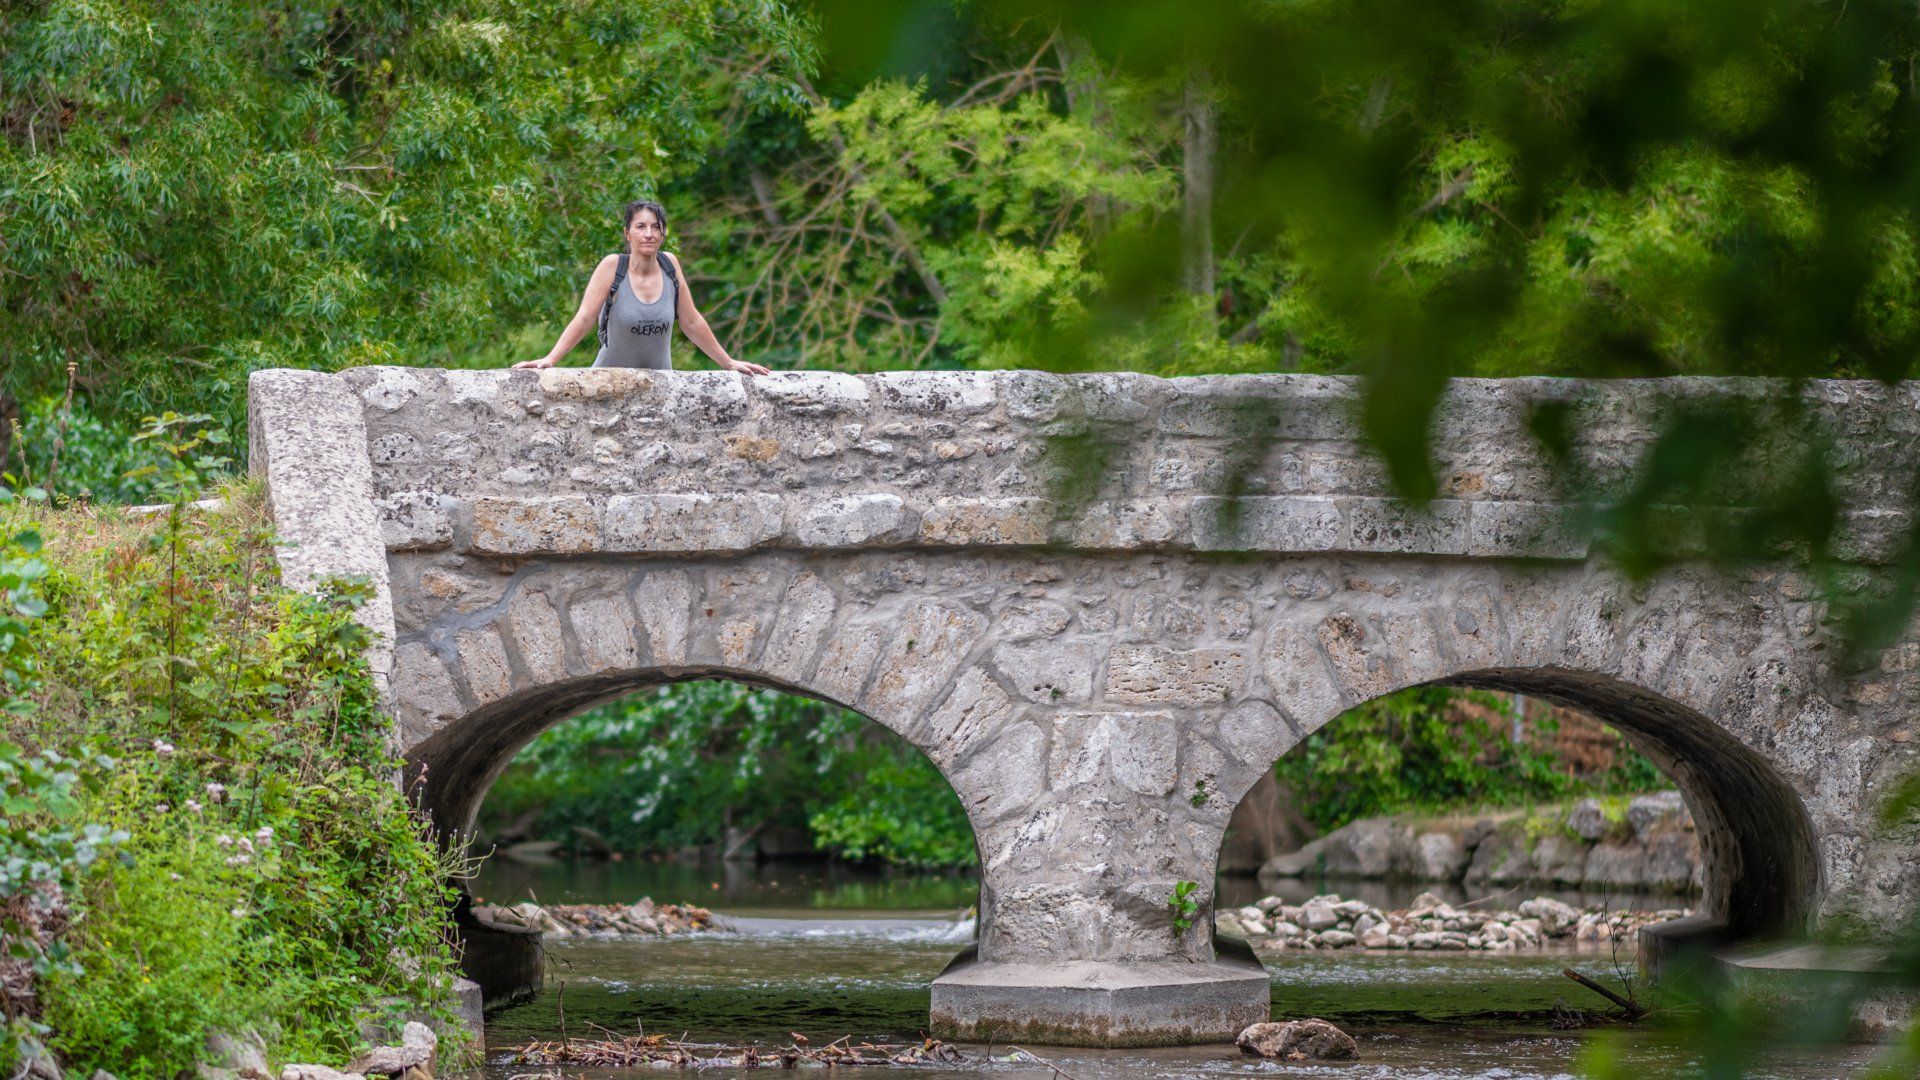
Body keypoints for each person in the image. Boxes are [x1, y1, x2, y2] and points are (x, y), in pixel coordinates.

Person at [514, 199, 770, 375]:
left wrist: (728, 362)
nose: (649, 233)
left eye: (656, 227)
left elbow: (691, 322)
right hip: (608, 388)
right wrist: (551, 358)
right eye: (641, 227)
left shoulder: (670, 265)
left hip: (662, 390)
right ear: (628, 233)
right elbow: (584, 318)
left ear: (663, 233)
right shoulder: (613, 266)